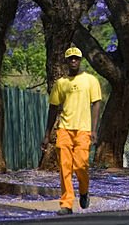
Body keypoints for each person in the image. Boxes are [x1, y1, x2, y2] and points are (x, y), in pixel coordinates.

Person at [41, 46, 102, 216]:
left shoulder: (90, 80)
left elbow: (96, 103)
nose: (73, 61)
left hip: (83, 130)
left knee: (81, 165)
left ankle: (84, 191)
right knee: (65, 168)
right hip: (64, 130)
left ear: (80, 60)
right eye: (70, 58)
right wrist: (47, 134)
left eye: (76, 58)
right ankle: (66, 203)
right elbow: (53, 108)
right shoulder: (61, 83)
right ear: (67, 61)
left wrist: (94, 130)